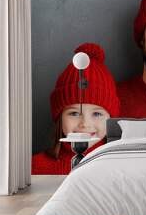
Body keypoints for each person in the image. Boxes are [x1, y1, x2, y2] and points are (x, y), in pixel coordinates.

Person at [32, 43, 120, 175]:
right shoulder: (32, 169)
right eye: (74, 113)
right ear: (60, 117)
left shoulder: (120, 168)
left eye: (96, 114)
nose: (85, 124)